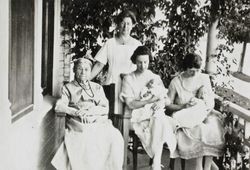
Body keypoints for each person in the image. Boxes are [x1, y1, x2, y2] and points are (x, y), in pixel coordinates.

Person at [51, 58, 124, 170]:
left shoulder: (97, 87)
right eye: (80, 69)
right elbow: (59, 106)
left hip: (98, 120)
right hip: (78, 123)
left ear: (90, 71)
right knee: (87, 139)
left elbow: (105, 108)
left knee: (115, 136)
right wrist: (76, 112)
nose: (83, 72)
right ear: (74, 70)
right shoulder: (67, 88)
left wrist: (91, 113)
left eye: (86, 69)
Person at [120, 46, 177, 170]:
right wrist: (150, 101)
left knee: (159, 118)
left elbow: (166, 99)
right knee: (161, 120)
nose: (143, 65)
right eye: (139, 62)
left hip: (152, 114)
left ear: (149, 61)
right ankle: (156, 163)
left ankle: (155, 163)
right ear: (135, 61)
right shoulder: (128, 79)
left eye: (146, 62)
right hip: (135, 115)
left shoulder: (154, 77)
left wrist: (161, 102)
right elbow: (130, 104)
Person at [166, 53, 225, 170]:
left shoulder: (203, 78)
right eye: (191, 70)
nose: (195, 74)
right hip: (185, 116)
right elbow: (168, 105)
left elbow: (208, 102)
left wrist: (206, 102)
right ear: (185, 68)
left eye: (197, 70)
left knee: (214, 126)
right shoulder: (176, 82)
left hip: (203, 112)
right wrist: (183, 106)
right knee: (200, 129)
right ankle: (198, 166)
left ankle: (207, 167)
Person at [90, 10, 142, 115]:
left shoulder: (137, 45)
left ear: (132, 25)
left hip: (131, 88)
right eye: (122, 23)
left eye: (128, 23)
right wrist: (85, 80)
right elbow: (100, 64)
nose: (125, 26)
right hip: (111, 86)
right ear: (118, 24)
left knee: (129, 119)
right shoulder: (110, 43)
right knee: (111, 116)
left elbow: (142, 67)